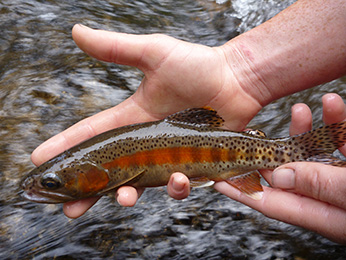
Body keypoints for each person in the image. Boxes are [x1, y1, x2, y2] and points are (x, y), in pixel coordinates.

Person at [31, 0, 346, 244]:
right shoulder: (102, 162)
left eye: (52, 184)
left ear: (91, 176)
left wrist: (240, 72)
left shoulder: (105, 163)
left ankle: (301, 152)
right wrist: (241, 70)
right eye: (52, 182)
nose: (46, 188)